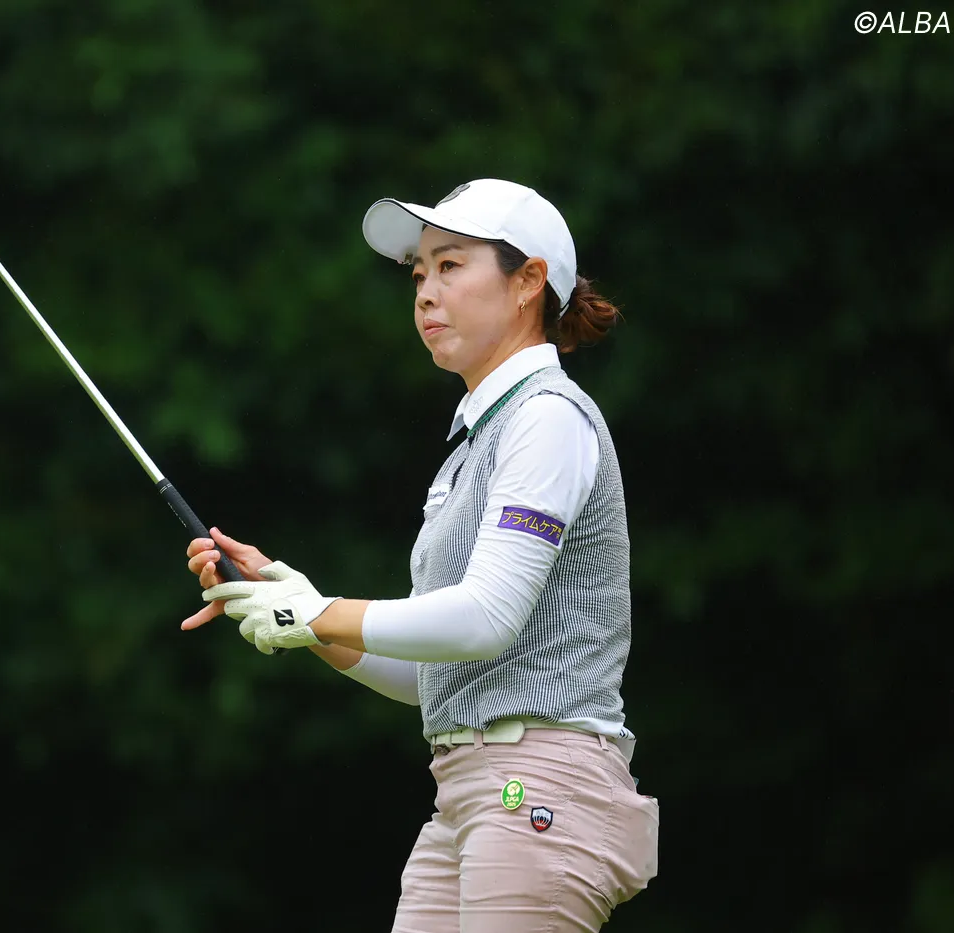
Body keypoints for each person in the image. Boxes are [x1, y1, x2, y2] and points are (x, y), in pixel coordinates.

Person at [180, 178, 660, 932]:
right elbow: (433, 674)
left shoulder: (548, 418)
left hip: (536, 786)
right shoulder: (477, 441)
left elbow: (485, 619)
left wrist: (317, 613)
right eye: (419, 274)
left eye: (451, 266)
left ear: (528, 282)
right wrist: (302, 615)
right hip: (469, 794)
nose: (426, 292)